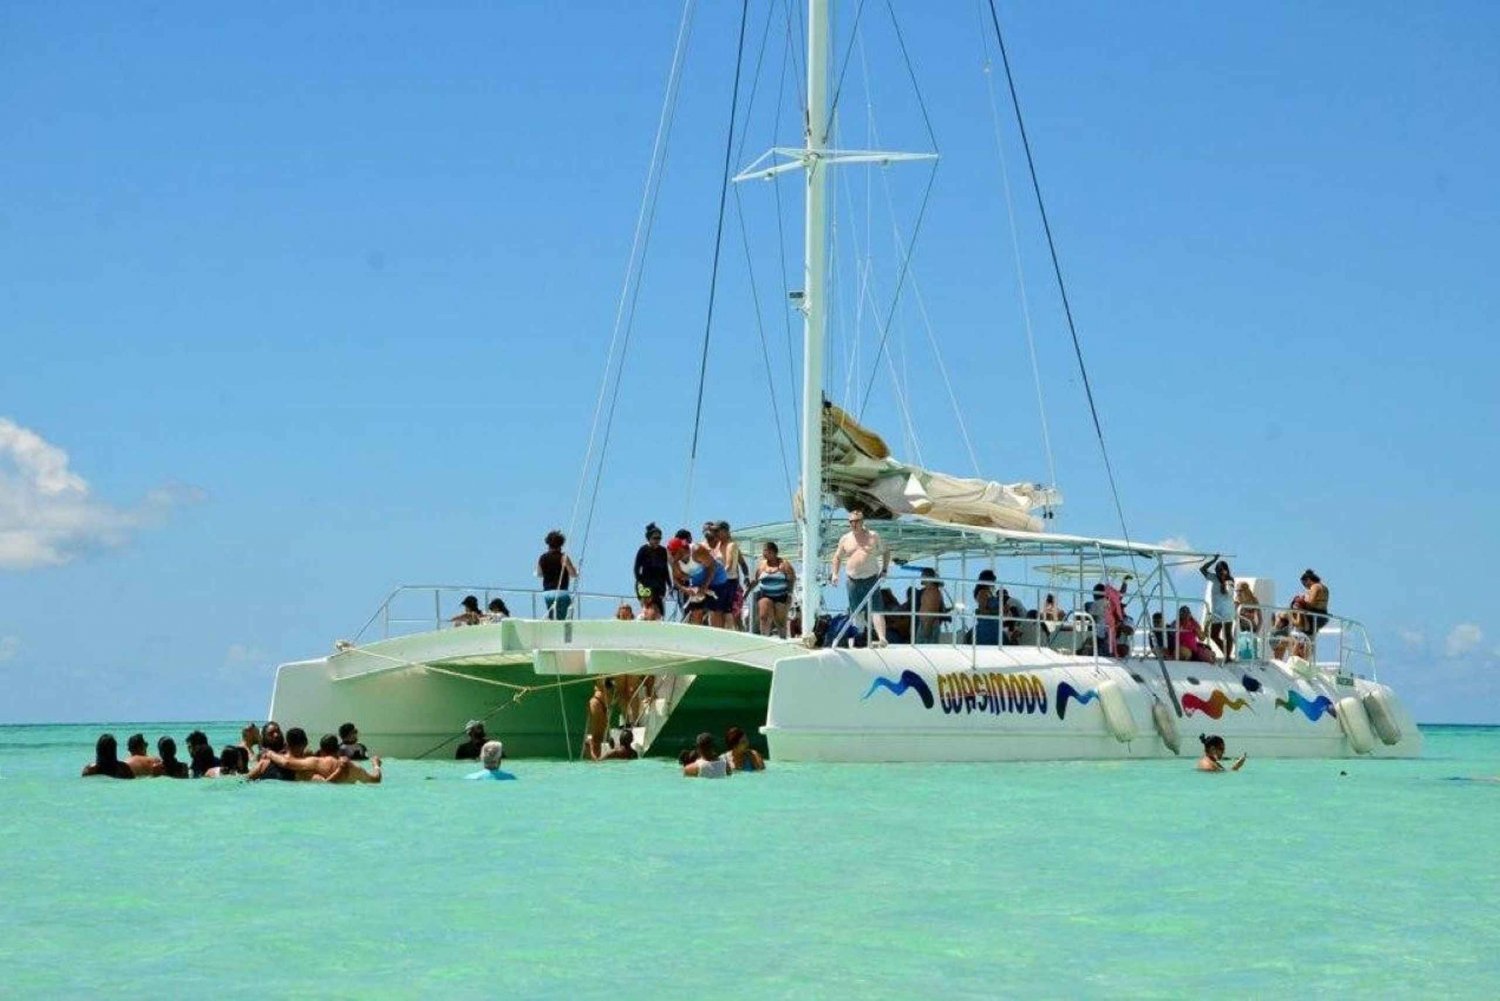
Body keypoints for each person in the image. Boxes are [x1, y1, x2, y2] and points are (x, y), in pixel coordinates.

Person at [830, 508, 889, 647]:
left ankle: (882, 638)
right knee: (856, 611)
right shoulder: (845, 538)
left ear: (862, 521)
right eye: (851, 522)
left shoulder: (873, 536)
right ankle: (860, 638)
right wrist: (835, 574)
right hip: (853, 580)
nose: (854, 524)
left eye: (856, 521)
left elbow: (886, 552)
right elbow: (837, 557)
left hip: (871, 578)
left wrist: (884, 569)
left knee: (876, 609)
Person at [750, 540, 796, 637]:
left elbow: (792, 579)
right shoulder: (761, 565)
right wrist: (745, 594)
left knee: (780, 623)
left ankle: (782, 640)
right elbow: (755, 580)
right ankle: (764, 639)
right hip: (765, 595)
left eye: (768, 551)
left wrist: (790, 595)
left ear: (774, 553)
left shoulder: (784, 564)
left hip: (781, 597)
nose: (765, 553)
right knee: (764, 617)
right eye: (764, 551)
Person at [1199, 557, 1236, 660]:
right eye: (1218, 571)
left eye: (1222, 571)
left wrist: (1224, 579)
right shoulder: (1214, 578)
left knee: (1227, 634)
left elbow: (1225, 592)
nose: (1220, 573)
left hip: (1227, 611)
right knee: (1213, 634)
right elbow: (1202, 569)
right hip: (1216, 611)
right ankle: (1226, 653)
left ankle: (1227, 656)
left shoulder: (1230, 581)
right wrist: (1213, 560)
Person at [538, 530, 579, 621]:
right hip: (561, 593)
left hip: (547, 593)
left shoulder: (542, 558)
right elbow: (573, 574)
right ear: (561, 544)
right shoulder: (563, 557)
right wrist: (576, 571)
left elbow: (539, 574)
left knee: (553, 617)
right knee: (564, 618)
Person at [633, 523, 671, 617]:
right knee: (648, 608)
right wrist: (641, 582)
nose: (657, 540)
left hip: (659, 585)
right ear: (649, 538)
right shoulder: (643, 550)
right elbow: (636, 569)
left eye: (659, 538)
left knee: (658, 611)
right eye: (655, 538)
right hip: (646, 584)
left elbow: (665, 569)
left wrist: (669, 584)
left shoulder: (663, 551)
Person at [914, 568, 949, 644]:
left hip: (929, 624)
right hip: (924, 623)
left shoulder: (933, 592)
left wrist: (928, 627)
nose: (921, 578)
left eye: (922, 576)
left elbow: (933, 610)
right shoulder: (927, 591)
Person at [1292, 569, 1330, 636]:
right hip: (1323, 615)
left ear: (1308, 580)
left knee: (1296, 603)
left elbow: (1311, 603)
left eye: (1304, 584)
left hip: (1314, 615)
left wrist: (1301, 601)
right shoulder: (1325, 587)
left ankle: (1295, 624)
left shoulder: (1315, 587)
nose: (1304, 586)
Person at [973, 570, 1002, 646]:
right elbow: (983, 611)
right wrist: (998, 612)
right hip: (987, 627)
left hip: (994, 626)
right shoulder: (982, 593)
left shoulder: (989, 592)